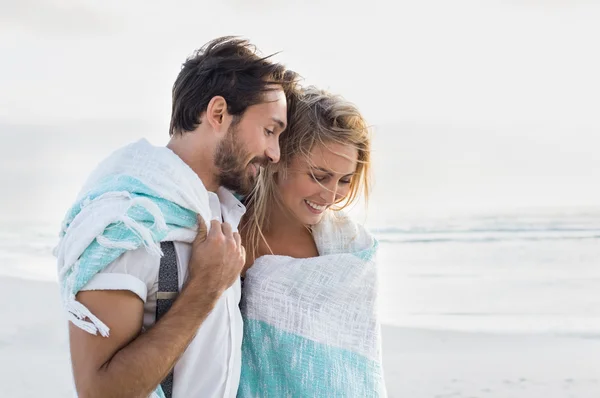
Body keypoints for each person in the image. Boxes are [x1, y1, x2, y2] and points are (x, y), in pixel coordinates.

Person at [54, 36, 297, 398]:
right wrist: (206, 287)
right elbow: (99, 391)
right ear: (218, 114)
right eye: (269, 131)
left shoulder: (222, 213)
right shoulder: (130, 223)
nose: (275, 153)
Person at [239, 86, 387, 397]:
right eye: (319, 176)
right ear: (279, 158)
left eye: (345, 180)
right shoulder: (233, 231)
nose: (332, 195)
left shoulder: (348, 248)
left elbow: (353, 366)